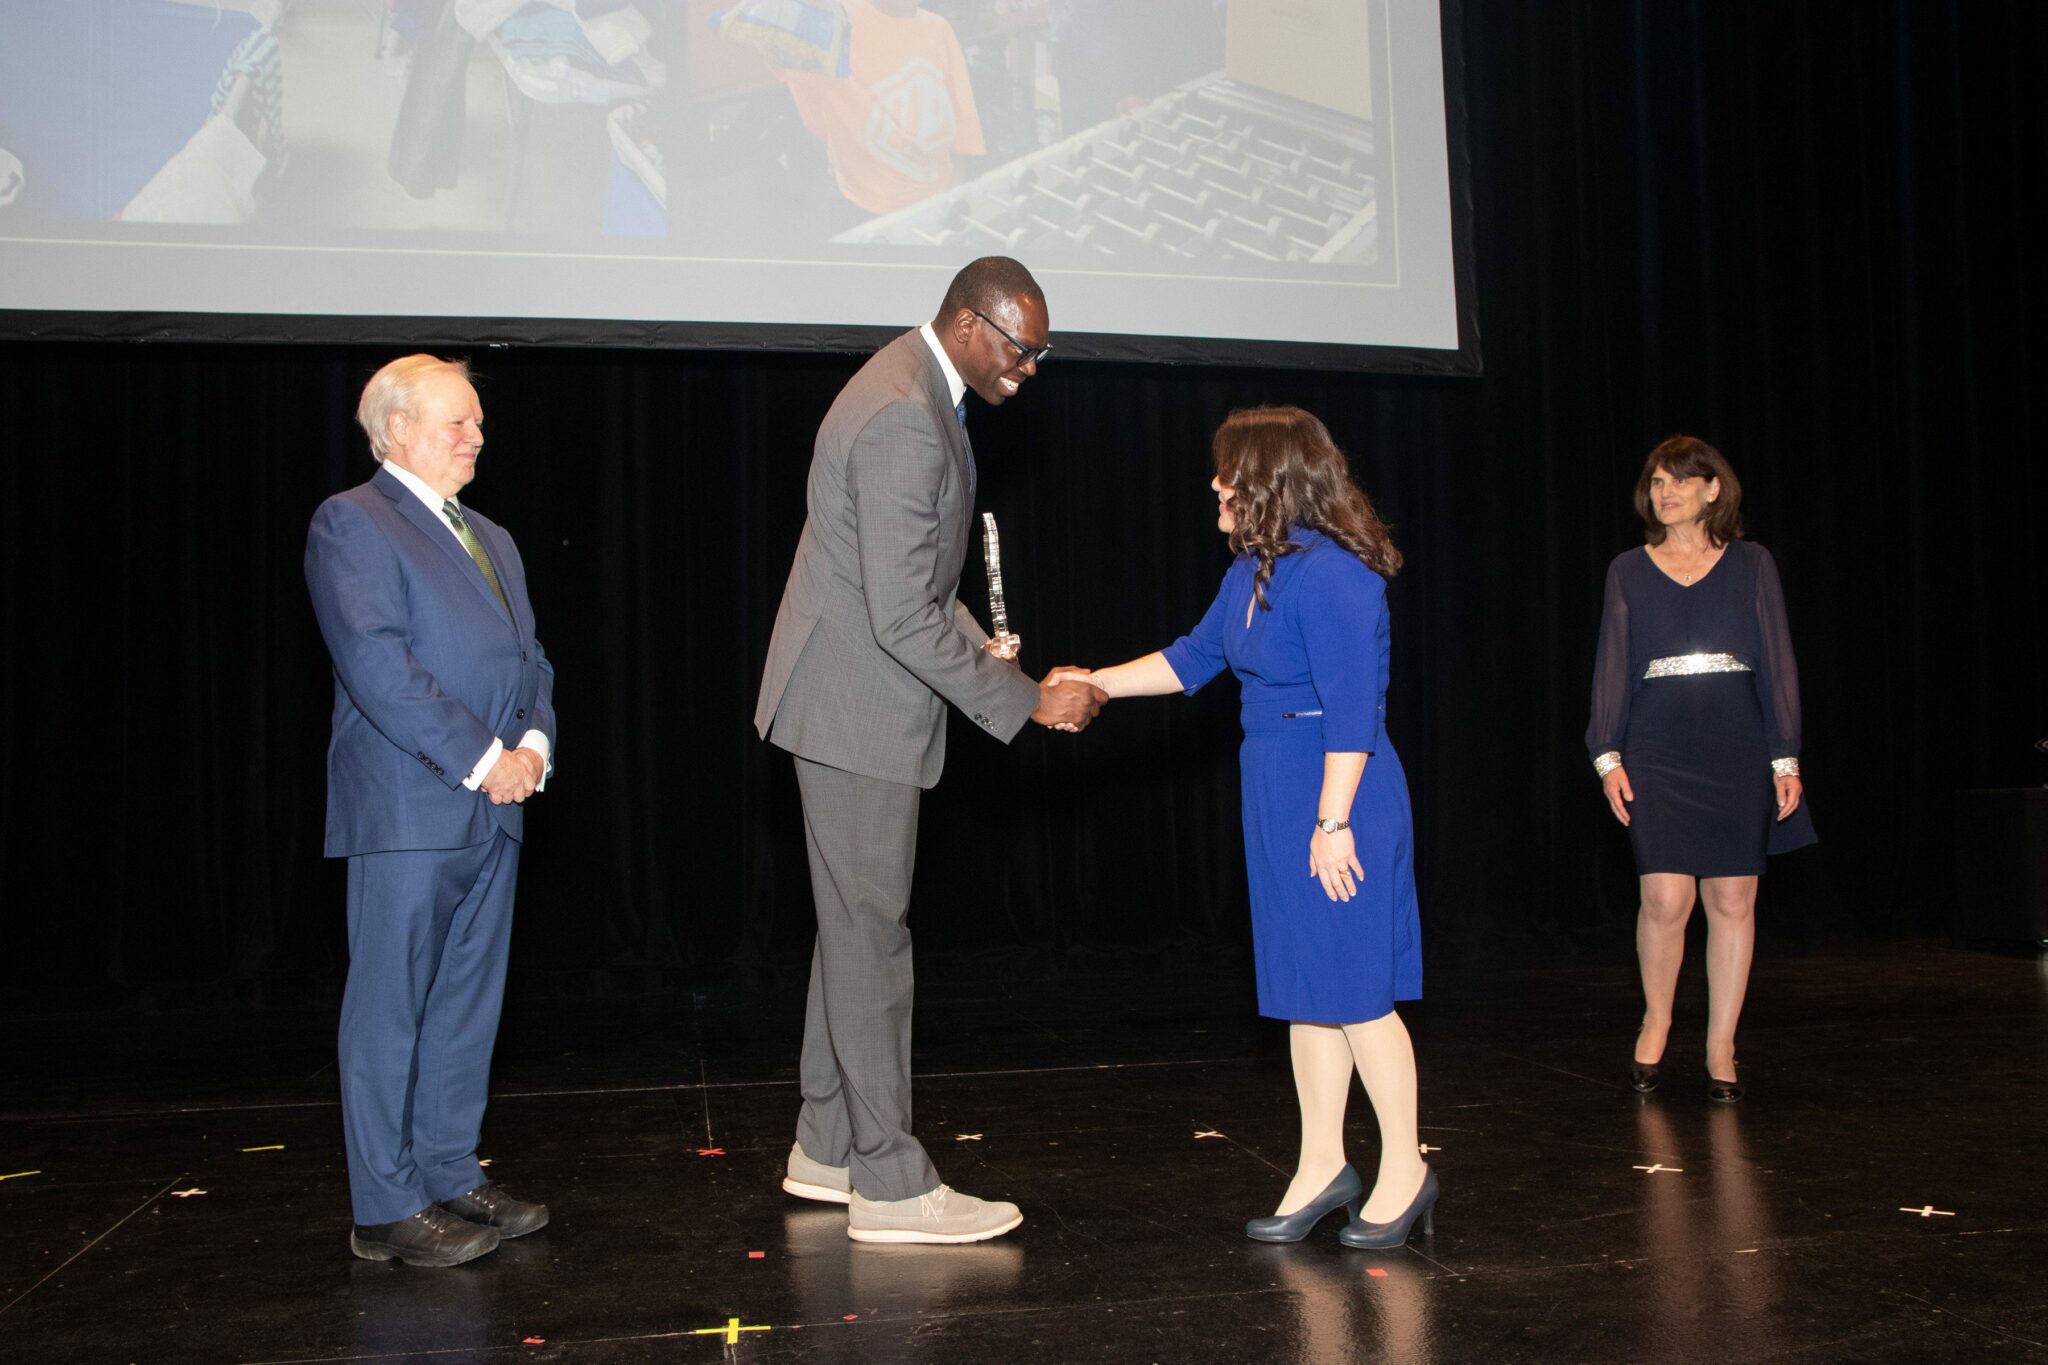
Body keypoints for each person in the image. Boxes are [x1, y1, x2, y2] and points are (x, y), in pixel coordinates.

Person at [754, 256, 1105, 1244]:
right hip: (851, 706)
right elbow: (900, 611)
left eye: (1038, 352)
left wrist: (972, 647)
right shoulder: (907, 411)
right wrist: (1023, 697)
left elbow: (900, 582)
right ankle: (892, 1186)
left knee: (850, 930)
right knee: (871, 938)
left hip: (849, 696)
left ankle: (826, 1149)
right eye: (1018, 348)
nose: (1028, 368)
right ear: (964, 323)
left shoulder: (913, 388)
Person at [1058, 405, 1433, 1250]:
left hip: (1339, 790)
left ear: (1271, 481)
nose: (1215, 486)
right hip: (1278, 784)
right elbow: (1195, 658)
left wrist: (1333, 821)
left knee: (1358, 993)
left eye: (1229, 473)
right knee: (1309, 992)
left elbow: (1354, 714)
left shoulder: (1337, 575)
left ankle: (1405, 1168)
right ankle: (1322, 1165)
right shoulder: (1256, 569)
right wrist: (1095, 684)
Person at [305, 355, 557, 1266]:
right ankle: (384, 1206)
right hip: (410, 809)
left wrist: (533, 748)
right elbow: (377, 664)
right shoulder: (353, 522)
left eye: (479, 421)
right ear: (397, 429)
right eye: (457, 421)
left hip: (496, 805)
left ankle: (450, 1169)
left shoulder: (493, 535)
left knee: (465, 1002)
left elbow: (534, 665)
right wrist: (485, 758)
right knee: (390, 1005)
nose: (476, 436)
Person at [1586, 435, 1817, 1104]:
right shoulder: (1628, 568)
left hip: (1736, 742)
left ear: (1713, 489)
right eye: (1656, 481)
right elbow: (1611, 666)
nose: (1664, 491)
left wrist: (1785, 753)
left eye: (1678, 480)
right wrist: (1607, 755)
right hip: (1657, 742)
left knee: (1733, 898)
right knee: (1664, 896)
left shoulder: (1752, 564)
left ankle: (1721, 1042)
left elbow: (1778, 663)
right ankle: (1656, 1018)